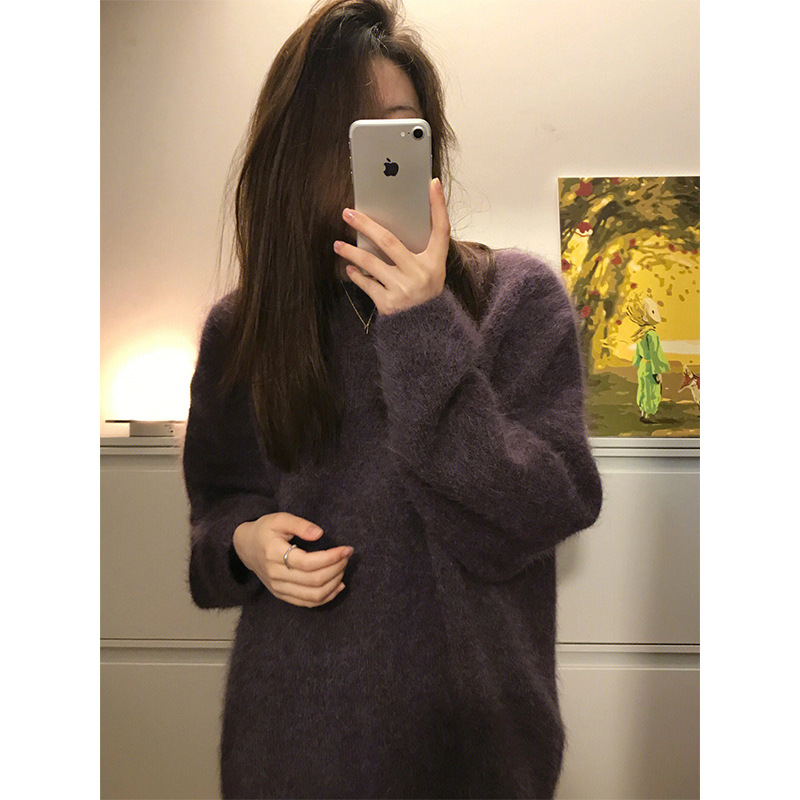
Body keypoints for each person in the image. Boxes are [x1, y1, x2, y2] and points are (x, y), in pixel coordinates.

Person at [183, 1, 603, 797]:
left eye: (402, 131)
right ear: (297, 153)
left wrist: (421, 325)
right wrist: (245, 542)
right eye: (351, 134)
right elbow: (216, 516)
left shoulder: (517, 300)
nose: (379, 158)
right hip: (292, 748)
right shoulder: (246, 327)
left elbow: (545, 507)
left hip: (475, 752)